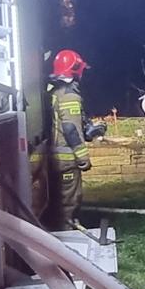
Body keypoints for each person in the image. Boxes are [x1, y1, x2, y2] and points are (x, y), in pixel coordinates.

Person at [44, 49, 98, 230]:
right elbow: (70, 128)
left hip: (53, 156)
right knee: (69, 201)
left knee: (56, 201)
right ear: (75, 70)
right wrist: (82, 157)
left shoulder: (53, 91)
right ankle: (68, 233)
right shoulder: (70, 96)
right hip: (66, 159)